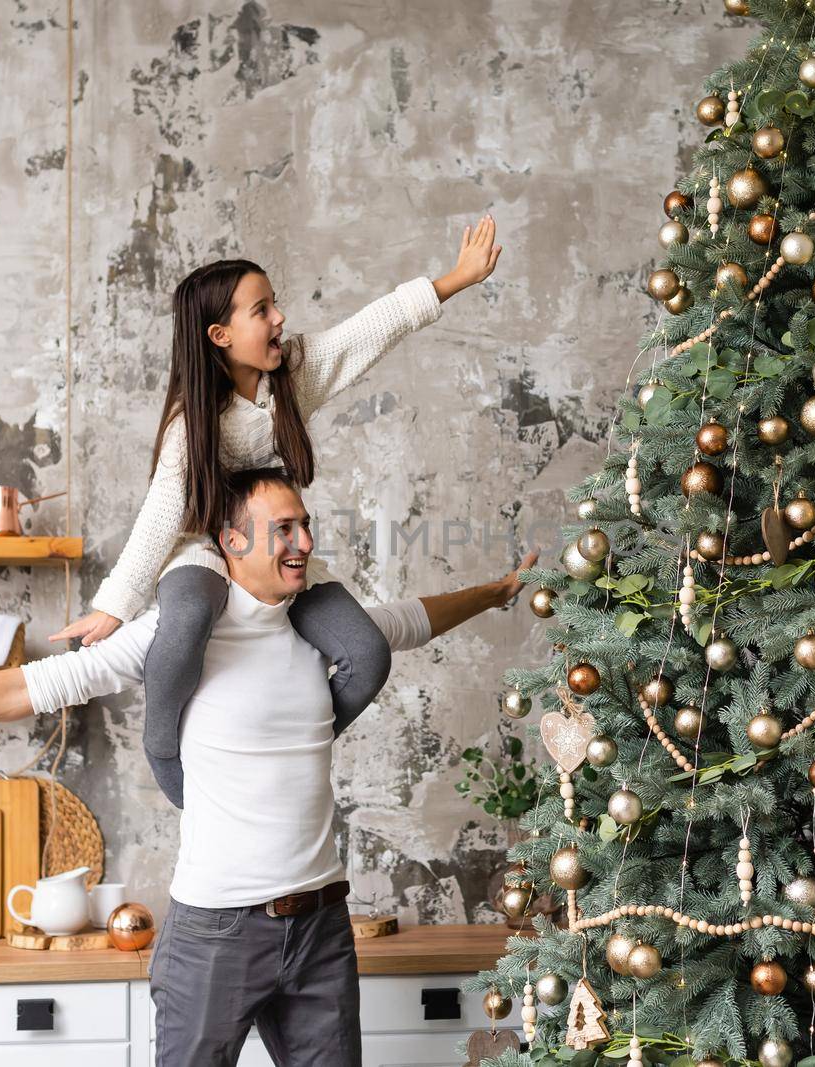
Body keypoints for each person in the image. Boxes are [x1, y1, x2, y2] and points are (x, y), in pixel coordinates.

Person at [0, 468, 534, 1067]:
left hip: (321, 926)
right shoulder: (179, 632)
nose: (303, 542)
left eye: (305, 525)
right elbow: (30, 687)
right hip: (217, 935)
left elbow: (417, 618)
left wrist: (497, 592)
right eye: (283, 529)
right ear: (231, 543)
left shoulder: (321, 629)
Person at [47, 221, 502, 811]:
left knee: (367, 651)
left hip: (273, 550)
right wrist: (115, 605)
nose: (279, 318)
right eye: (262, 310)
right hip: (205, 546)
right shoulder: (194, 424)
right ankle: (165, 751)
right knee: (184, 621)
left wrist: (454, 280)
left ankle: (285, 749)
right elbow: (161, 511)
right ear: (219, 334)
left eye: (274, 304)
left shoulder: (292, 377)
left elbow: (369, 330)